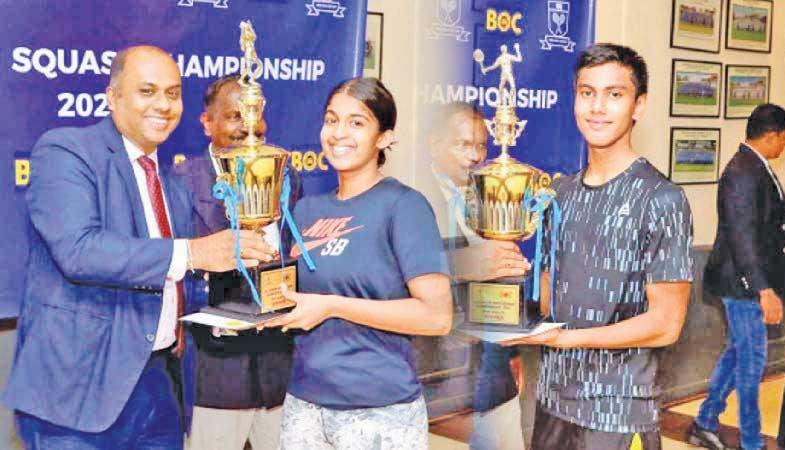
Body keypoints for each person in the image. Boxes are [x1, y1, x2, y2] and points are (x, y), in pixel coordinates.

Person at [2, 45, 272, 449]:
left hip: (160, 385)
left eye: (172, 92)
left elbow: (178, 276)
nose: (163, 105)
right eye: (147, 91)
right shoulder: (67, 151)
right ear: (113, 98)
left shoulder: (170, 178)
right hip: (79, 394)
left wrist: (248, 299)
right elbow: (80, 251)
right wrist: (195, 252)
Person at [502, 43, 693, 450]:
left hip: (617, 410)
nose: (597, 107)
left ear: (638, 106)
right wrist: (504, 299)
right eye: (587, 92)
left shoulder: (661, 198)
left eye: (614, 94)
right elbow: (550, 296)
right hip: (553, 402)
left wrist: (565, 339)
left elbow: (666, 324)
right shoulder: (558, 194)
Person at [266, 77, 452, 450]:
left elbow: (437, 316)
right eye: (331, 119)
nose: (338, 133)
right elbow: (291, 297)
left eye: (357, 122)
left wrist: (332, 306)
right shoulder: (305, 211)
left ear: (384, 138)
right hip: (305, 405)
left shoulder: (404, 206)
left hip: (380, 410)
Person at [173, 75, 297, 450]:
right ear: (207, 123)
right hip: (216, 374)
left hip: (279, 370)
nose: (247, 125)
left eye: (254, 114)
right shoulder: (180, 182)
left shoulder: (285, 173)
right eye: (233, 116)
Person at [424, 102, 531, 450]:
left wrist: (512, 350)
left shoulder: (488, 191)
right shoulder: (411, 196)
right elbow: (402, 269)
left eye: (481, 146)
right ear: (433, 144)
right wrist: (467, 264)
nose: (474, 156)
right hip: (440, 362)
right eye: (462, 144)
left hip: (491, 353)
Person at [691, 103, 785, 450]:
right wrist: (765, 289)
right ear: (770, 136)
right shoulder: (742, 171)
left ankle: (705, 421)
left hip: (748, 281)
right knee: (752, 363)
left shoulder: (756, 167)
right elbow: (740, 235)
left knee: (738, 353)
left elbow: (758, 225)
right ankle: (752, 442)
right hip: (744, 285)